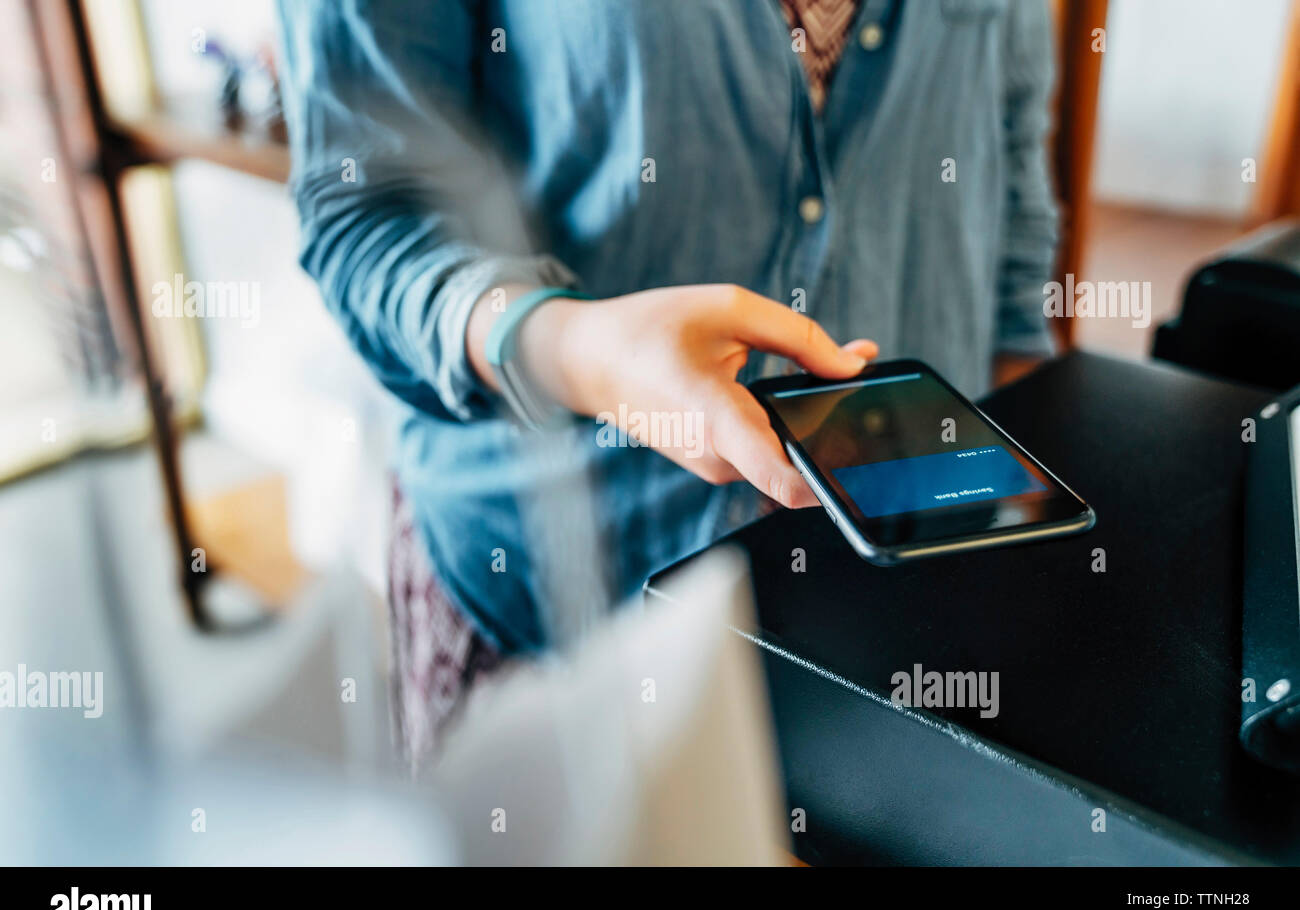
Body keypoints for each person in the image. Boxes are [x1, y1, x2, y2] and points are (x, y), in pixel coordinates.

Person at [277, 0, 1059, 769]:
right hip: (550, 595)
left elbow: (1013, 177)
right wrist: (579, 349)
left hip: (900, 604)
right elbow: (368, 206)